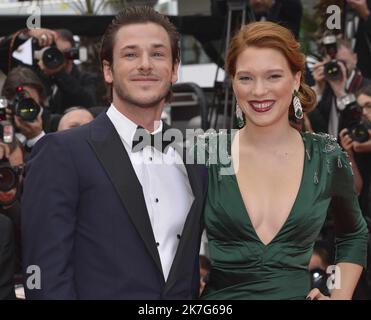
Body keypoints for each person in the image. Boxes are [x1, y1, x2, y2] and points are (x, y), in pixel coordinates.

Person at [21, 6, 207, 299]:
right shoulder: (63, 152)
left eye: (158, 54)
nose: (145, 64)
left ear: (174, 69)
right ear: (108, 70)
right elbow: (45, 274)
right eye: (130, 54)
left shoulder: (195, 158)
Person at [199, 21, 368, 300]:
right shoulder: (209, 153)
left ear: (296, 79)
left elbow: (352, 234)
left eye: (273, 76)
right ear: (233, 82)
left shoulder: (325, 156)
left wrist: (339, 295)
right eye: (246, 78)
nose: (258, 91)